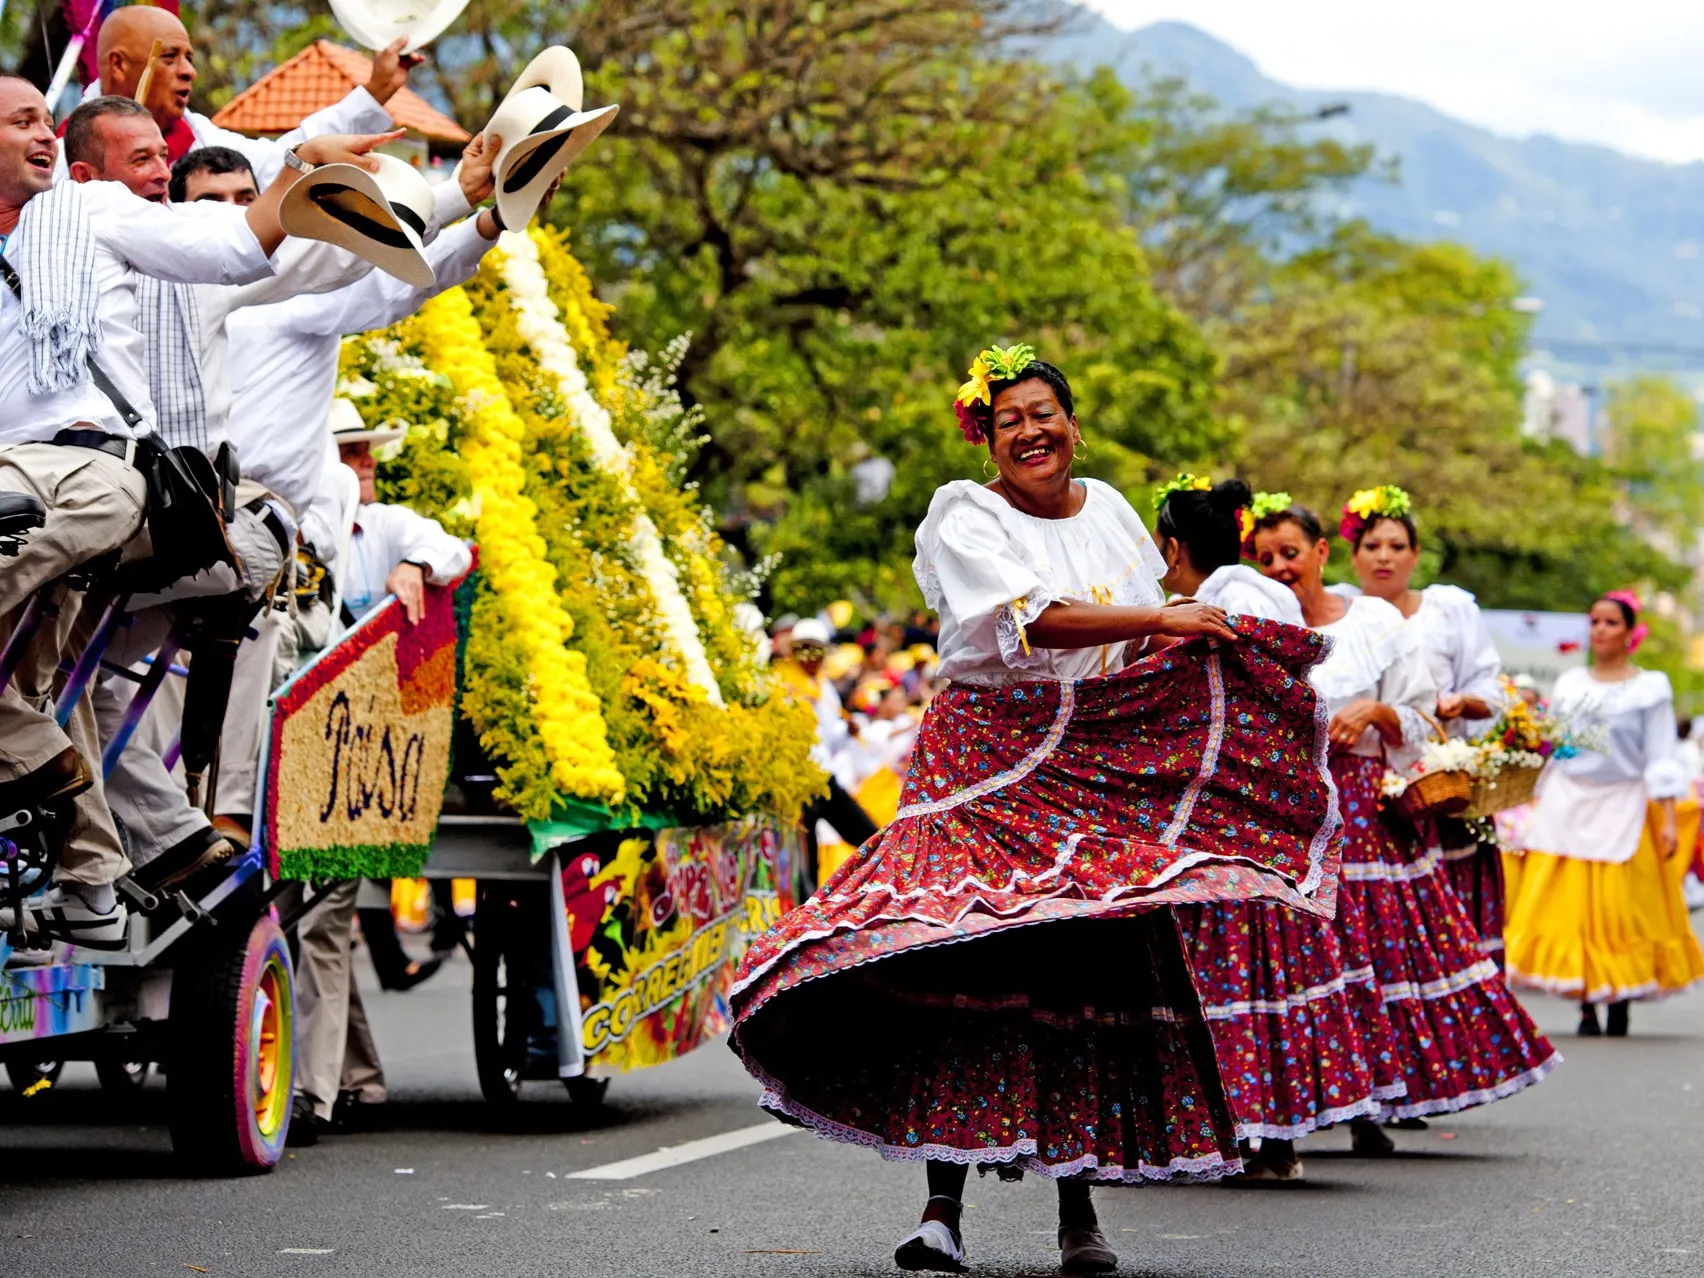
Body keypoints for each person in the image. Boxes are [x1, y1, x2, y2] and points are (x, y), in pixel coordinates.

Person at [729, 344, 1343, 1276]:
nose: (1030, 430)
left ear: (1073, 423)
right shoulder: (963, 513)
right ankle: (941, 1212)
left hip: (1085, 763)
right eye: (1009, 418)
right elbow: (1034, 619)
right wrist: (1166, 621)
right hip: (983, 765)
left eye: (1043, 412)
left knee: (1084, 968)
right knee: (960, 955)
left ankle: (1079, 1216)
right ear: (988, 436)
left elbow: (1136, 639)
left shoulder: (1112, 510)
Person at [0, 73, 390, 945]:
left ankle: (150, 844)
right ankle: (100, 881)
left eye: (44, 118)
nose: (43, 134)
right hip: (17, 491)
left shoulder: (92, 212)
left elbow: (240, 241)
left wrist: (306, 173)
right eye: (21, 120)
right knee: (30, 694)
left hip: (88, 474)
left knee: (67, 688)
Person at [1251, 500, 1557, 1148]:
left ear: (1322, 553)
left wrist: (1373, 713)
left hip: (1362, 807)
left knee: (1371, 956)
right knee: (1299, 961)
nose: (1280, 568)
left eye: (1291, 554)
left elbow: (1421, 719)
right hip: (1288, 810)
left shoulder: (1376, 621)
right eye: (1266, 557)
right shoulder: (1254, 626)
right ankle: (1304, 1103)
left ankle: (1374, 1101)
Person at [1155, 476, 1377, 1182]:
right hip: (1257, 807)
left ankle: (1263, 1134)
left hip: (1239, 810)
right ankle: (1261, 1133)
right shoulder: (1246, 591)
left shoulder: (1230, 598)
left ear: (1171, 547)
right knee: (1261, 968)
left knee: (1244, 967)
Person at [289, 418, 471, 1145]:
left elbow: (453, 549)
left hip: (364, 767)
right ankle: (359, 1077)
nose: (361, 463)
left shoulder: (391, 526)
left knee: (323, 921)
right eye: (346, 451)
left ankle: (312, 1092)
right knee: (304, 923)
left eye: (365, 451)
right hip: (290, 753)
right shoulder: (291, 529)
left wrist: (416, 570)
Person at [1504, 592, 1704, 1035]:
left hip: (1624, 802)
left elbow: (1659, 754)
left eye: (1611, 622)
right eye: (1594, 621)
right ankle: (1585, 1004)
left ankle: (1619, 996)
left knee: (1619, 908)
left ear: (1630, 633)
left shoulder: (1649, 688)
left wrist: (1669, 817)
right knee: (1567, 906)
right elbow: (1555, 746)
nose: (1600, 630)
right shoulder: (1572, 683)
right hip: (1568, 799)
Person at [1330, 486, 1511, 966]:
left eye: (1396, 545)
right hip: (1367, 795)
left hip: (1442, 787)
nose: (1383, 557)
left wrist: (1459, 704)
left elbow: (1490, 692)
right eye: (1372, 546)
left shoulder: (1448, 609)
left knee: (1453, 924)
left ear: (1415, 556)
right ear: (1352, 557)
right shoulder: (1337, 612)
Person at [81, 5, 407, 176]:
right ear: (119, 65)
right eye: (170, 57)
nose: (188, 71)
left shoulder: (199, 137)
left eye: (190, 58)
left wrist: (375, 91)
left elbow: (277, 162)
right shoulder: (68, 157)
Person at [773, 616, 879, 876]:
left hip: (823, 779)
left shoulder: (823, 686)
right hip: (798, 783)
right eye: (803, 649)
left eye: (816, 650)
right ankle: (805, 911)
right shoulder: (780, 682)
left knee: (869, 838)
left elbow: (830, 739)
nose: (810, 657)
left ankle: (885, 888)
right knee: (805, 863)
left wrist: (848, 730)